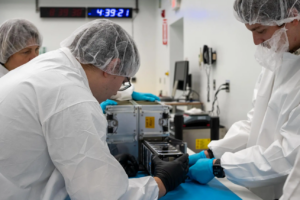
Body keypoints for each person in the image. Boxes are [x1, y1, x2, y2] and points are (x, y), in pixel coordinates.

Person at [0, 19, 188, 200]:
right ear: (111, 66)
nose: (117, 90)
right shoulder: (71, 96)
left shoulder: (52, 66)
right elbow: (100, 195)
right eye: (124, 81)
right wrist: (161, 182)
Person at [188, 1, 300, 199]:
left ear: (293, 17)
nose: (256, 41)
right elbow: (253, 124)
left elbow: (287, 156)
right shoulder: (276, 60)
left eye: (261, 30)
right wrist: (212, 153)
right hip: (258, 189)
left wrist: (219, 167)